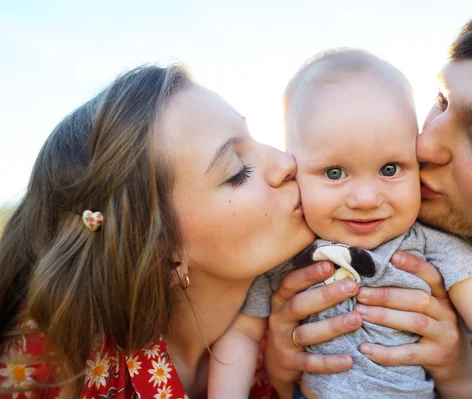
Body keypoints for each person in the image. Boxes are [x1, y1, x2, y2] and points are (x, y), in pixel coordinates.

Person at [262, 1, 472, 398]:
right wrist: (279, 369)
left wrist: (464, 381)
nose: (424, 144)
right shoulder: (301, 229)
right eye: (441, 100)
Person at [211, 49, 472, 399]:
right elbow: (242, 334)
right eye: (334, 173)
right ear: (294, 171)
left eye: (390, 169)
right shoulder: (290, 252)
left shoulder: (427, 247)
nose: (366, 198)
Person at [0, 63, 317, 398]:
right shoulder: (47, 372)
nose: (286, 162)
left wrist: (289, 385)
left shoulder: (310, 310)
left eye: (255, 139)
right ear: (162, 250)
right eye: (237, 171)